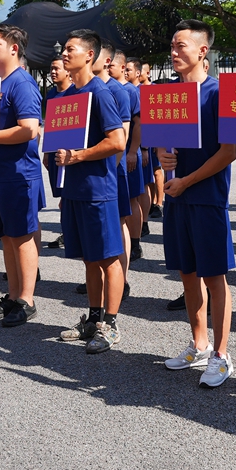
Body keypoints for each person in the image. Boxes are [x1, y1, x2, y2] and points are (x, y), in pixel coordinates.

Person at [159, 20, 236, 388]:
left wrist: (187, 180)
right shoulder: (169, 93)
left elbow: (228, 153)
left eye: (181, 47)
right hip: (177, 199)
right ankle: (199, 344)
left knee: (214, 277)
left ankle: (222, 355)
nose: (174, 53)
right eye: (172, 47)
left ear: (203, 51)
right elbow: (162, 145)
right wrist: (163, 155)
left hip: (206, 199)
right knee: (187, 275)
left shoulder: (219, 94)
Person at [55, 30, 128, 354]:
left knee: (109, 259)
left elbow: (117, 141)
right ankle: (93, 317)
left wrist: (78, 156)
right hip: (76, 190)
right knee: (90, 259)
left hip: (99, 190)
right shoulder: (70, 96)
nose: (65, 54)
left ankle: (110, 324)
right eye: (64, 49)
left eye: (71, 49)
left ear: (89, 55)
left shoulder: (99, 93)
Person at [0, 25, 44, 327]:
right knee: (5, 238)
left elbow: (29, 128)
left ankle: (27, 300)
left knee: (21, 236)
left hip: (17, 173)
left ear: (14, 48)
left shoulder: (21, 83)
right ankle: (13, 295)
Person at [99, 45, 139, 296]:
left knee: (119, 222)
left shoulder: (118, 91)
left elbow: (122, 135)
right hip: (96, 170)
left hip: (114, 169)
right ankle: (100, 276)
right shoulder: (86, 90)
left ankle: (120, 279)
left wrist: (131, 153)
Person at [44, 56, 73, 248]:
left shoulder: (76, 93)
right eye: (51, 69)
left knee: (69, 197)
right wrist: (46, 152)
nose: (53, 72)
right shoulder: (51, 94)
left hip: (71, 153)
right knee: (62, 197)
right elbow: (49, 125)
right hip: (55, 152)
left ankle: (71, 233)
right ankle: (66, 232)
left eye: (57, 68)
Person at [124, 57, 152, 245]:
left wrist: (141, 149)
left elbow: (142, 123)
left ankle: (138, 235)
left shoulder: (133, 92)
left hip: (133, 150)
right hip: (120, 153)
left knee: (136, 193)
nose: (126, 73)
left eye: (128, 69)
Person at [141, 60, 165, 219]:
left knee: (156, 170)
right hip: (141, 136)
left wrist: (159, 140)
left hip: (154, 137)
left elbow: (162, 116)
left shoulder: (156, 90)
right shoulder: (134, 89)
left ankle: (159, 203)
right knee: (146, 173)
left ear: (148, 73)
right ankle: (149, 202)